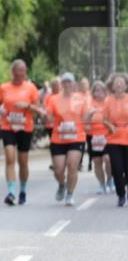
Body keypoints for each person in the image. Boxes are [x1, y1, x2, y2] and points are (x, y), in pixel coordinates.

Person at [0, 59, 44, 205]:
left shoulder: (30, 88)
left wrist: (27, 106)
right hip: (8, 126)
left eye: (24, 70)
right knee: (10, 158)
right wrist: (1, 110)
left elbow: (39, 110)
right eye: (19, 70)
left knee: (23, 161)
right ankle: (11, 192)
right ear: (13, 72)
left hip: (25, 127)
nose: (22, 73)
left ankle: (22, 190)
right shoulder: (4, 87)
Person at [46, 73, 89, 206]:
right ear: (61, 84)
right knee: (58, 170)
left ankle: (70, 194)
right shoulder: (53, 99)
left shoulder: (81, 99)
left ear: (74, 84)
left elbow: (86, 119)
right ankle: (61, 184)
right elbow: (49, 117)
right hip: (58, 138)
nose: (67, 85)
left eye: (69, 82)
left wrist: (90, 116)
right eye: (64, 82)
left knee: (72, 166)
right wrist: (46, 116)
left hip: (77, 137)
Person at [100, 73, 128, 207]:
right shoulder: (108, 100)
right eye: (116, 83)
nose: (119, 85)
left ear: (126, 86)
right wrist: (110, 125)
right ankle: (121, 195)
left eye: (121, 83)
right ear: (112, 87)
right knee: (117, 169)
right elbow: (104, 119)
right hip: (114, 139)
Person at [86, 81, 113, 193]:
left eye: (102, 90)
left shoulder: (109, 102)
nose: (99, 92)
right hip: (93, 136)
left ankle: (110, 180)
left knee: (108, 159)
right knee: (97, 161)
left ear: (105, 91)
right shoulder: (89, 103)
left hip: (107, 135)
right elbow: (84, 122)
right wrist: (89, 114)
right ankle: (101, 184)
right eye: (97, 90)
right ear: (93, 92)